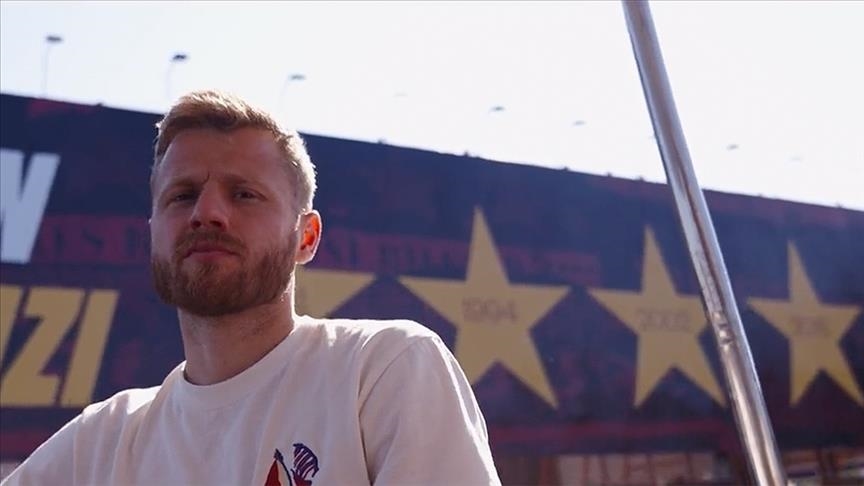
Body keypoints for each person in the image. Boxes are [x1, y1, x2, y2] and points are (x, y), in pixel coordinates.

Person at [2, 90, 501, 486]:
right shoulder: (102, 441)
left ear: (306, 237)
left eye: (244, 194)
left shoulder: (383, 369)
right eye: (182, 195)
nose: (207, 213)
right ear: (153, 230)